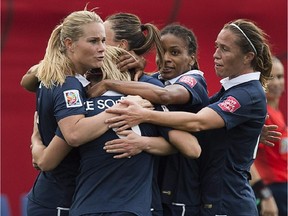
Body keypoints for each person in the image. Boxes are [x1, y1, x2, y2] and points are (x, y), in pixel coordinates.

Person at [104, 18, 273, 216]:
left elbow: (197, 121)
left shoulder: (246, 94)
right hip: (210, 199)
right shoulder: (231, 89)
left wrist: (143, 113)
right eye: (217, 47)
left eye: (225, 49)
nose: (215, 55)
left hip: (228, 203)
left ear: (247, 57)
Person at [30, 45, 202, 216]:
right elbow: (192, 148)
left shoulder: (80, 112)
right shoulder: (144, 105)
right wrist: (145, 141)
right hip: (131, 209)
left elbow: (46, 161)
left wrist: (36, 140)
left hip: (85, 208)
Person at [88, 23, 209, 216]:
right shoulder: (155, 81)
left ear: (192, 59)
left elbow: (164, 96)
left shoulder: (193, 81)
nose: (166, 59)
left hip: (184, 190)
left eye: (175, 53)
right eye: (161, 53)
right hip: (157, 188)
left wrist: (109, 84)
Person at [24, 9, 122, 216]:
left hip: (53, 196)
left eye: (104, 41)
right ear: (69, 44)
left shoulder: (52, 75)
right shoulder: (68, 84)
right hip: (59, 200)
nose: (102, 48)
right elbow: (74, 134)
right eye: (93, 41)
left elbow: (27, 80)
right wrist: (120, 110)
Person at [252, 56, 287, 216]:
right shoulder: (262, 113)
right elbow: (247, 159)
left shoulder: (277, 113)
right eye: (271, 77)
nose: (276, 83)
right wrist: (265, 196)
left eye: (280, 77)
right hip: (270, 191)